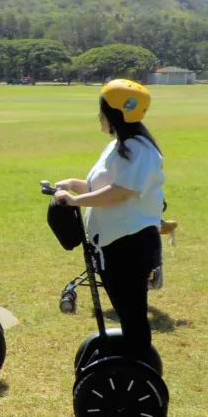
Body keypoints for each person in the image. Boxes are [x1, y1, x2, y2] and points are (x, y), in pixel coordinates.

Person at [50, 79, 165, 359]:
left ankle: (137, 368)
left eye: (103, 111)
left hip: (131, 245)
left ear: (116, 114)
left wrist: (76, 200)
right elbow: (101, 185)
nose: (99, 117)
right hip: (111, 244)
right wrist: (74, 184)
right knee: (126, 311)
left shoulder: (141, 151)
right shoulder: (118, 146)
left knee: (132, 314)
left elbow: (120, 192)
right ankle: (130, 362)